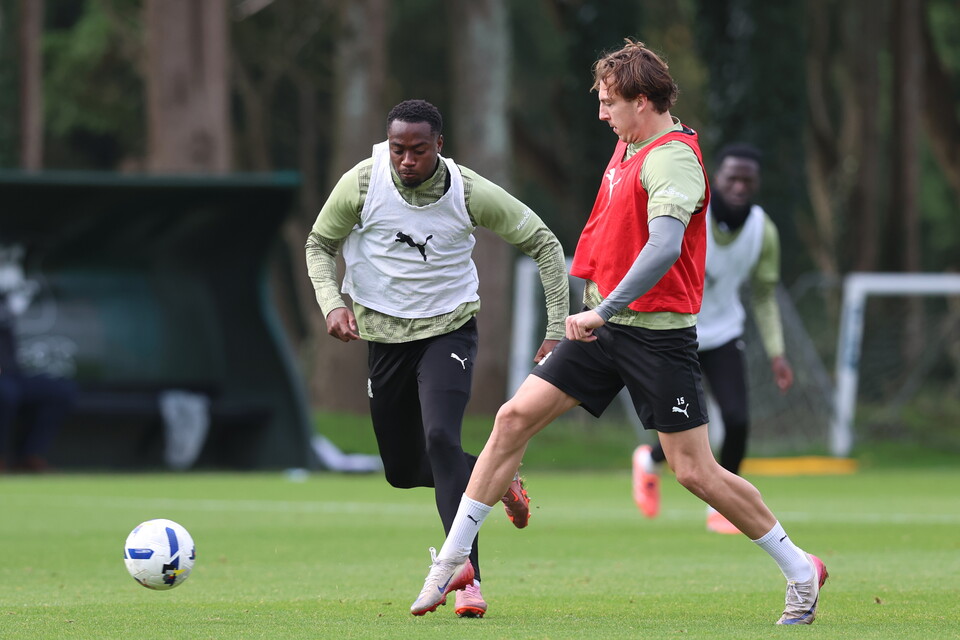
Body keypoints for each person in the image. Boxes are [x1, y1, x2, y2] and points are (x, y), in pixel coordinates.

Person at [409, 40, 827, 626]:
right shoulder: (628, 141)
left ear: (643, 101)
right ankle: (455, 560)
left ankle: (800, 570)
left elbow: (663, 247)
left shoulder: (673, 158)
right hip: (605, 330)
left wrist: (603, 311)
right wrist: (594, 313)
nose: (602, 114)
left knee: (693, 472)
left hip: (657, 337)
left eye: (610, 103)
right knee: (511, 419)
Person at [305, 99, 569, 618]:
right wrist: (332, 303)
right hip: (383, 338)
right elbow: (318, 244)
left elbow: (543, 241)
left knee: (441, 439)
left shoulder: (468, 191)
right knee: (403, 470)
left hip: (449, 330)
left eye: (418, 150)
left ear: (439, 147)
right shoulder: (362, 182)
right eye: (399, 149)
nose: (406, 160)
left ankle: (467, 580)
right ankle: (499, 479)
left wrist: (557, 328)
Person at [632, 142, 794, 534]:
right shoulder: (689, 214)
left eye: (747, 180)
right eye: (732, 178)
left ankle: (723, 510)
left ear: (756, 184)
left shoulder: (762, 230)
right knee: (682, 429)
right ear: (716, 178)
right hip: (675, 332)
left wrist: (777, 352)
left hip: (723, 335)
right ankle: (648, 460)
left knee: (737, 420)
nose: (739, 186)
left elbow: (763, 294)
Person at [0, 245, 77, 473]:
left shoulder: (8, 302)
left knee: (61, 390)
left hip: (13, 374)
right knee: (5, 393)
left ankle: (29, 456)